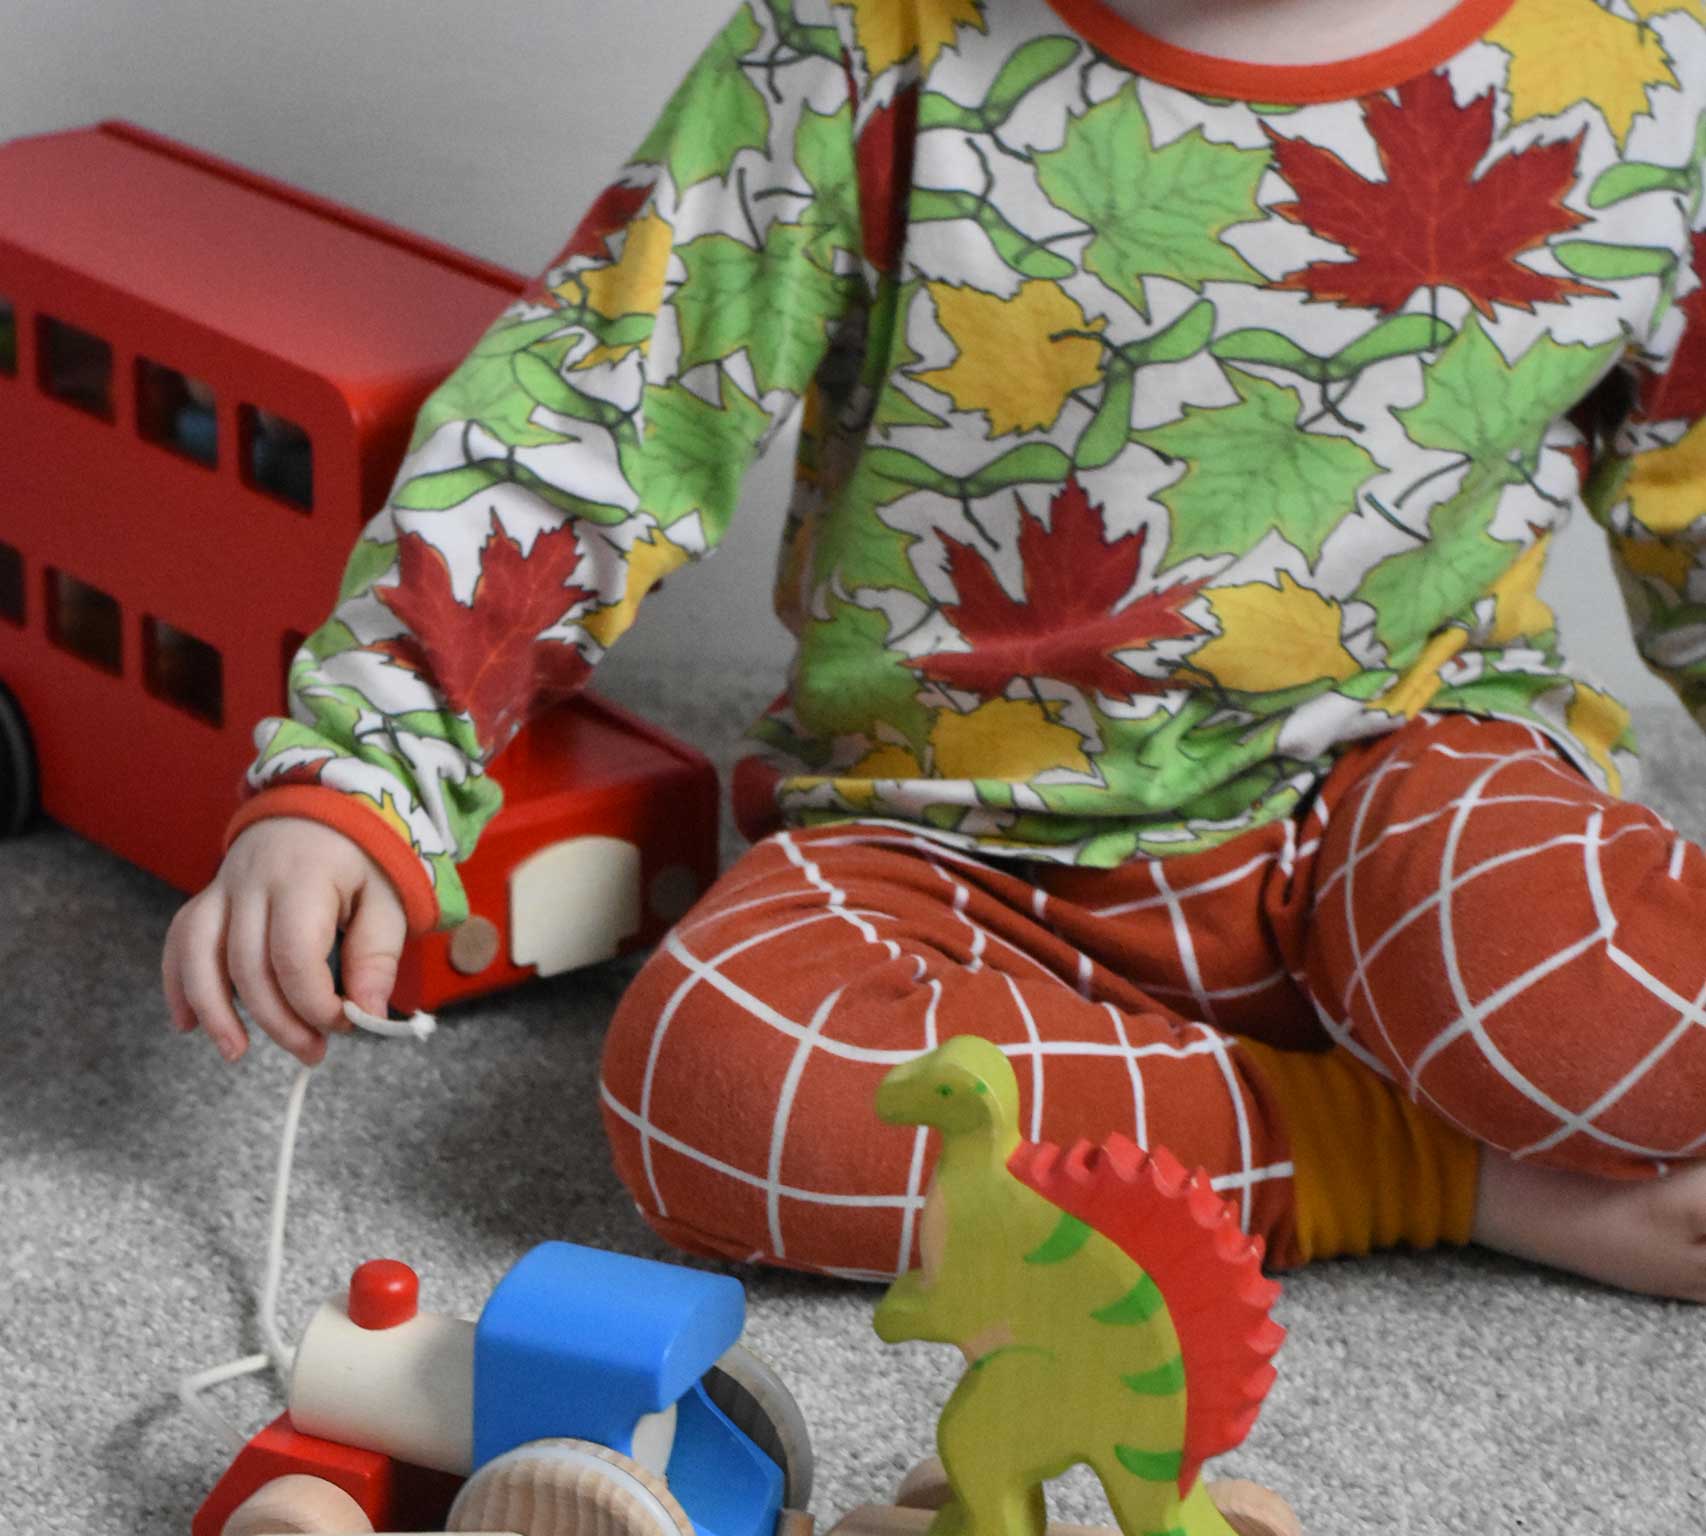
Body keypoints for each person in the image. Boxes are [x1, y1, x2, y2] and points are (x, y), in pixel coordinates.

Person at [163, 0, 1706, 1300]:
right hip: (945, 840)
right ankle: (1412, 1157)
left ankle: (1388, 1052)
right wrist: (358, 763)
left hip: (1400, 774)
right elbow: (594, 417)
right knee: (722, 1092)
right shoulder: (866, 39)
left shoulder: (1641, 73)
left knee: (1602, 1022)